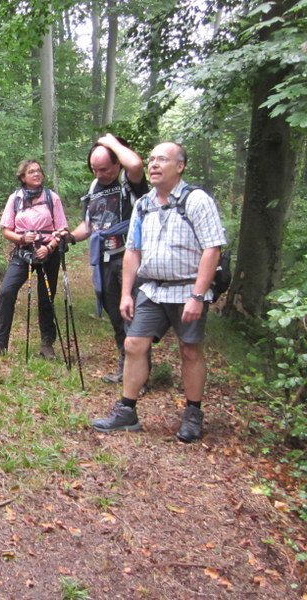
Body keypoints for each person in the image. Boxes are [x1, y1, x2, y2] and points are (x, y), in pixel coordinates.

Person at [91, 142, 226, 442]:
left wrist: (197, 295)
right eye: (151, 159)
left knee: (190, 350)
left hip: (187, 289)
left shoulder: (197, 200)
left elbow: (212, 249)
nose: (153, 165)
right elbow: (133, 252)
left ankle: (193, 412)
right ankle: (127, 410)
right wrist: (127, 293)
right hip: (151, 289)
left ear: (180, 166)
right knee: (134, 344)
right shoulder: (144, 204)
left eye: (162, 160)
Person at [57, 134, 149, 381]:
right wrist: (68, 237)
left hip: (131, 259)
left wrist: (112, 143)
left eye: (104, 169)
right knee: (117, 319)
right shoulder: (94, 189)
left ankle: (140, 376)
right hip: (105, 262)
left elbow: (137, 165)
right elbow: (89, 227)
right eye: (94, 169)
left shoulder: (129, 182)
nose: (99, 174)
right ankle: (126, 368)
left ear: (117, 163)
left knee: (135, 320)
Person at [0, 160, 68, 360]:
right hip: (23, 252)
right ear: (22, 177)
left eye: (38, 171)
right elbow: (6, 230)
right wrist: (21, 238)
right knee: (6, 292)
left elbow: (62, 229)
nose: (36, 174)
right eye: (31, 171)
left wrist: (49, 247)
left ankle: (47, 344)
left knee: (46, 298)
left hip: (48, 252)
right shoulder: (16, 198)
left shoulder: (51, 197)